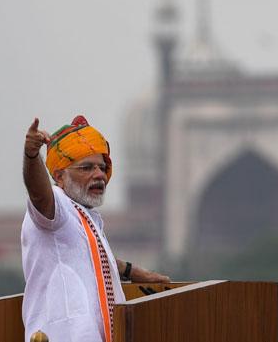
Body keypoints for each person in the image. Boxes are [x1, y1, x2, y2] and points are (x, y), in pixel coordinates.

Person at [22, 115, 170, 342]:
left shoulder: (84, 214)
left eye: (102, 167)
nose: (100, 174)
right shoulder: (56, 208)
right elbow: (38, 193)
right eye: (87, 168)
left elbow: (87, 255)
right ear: (60, 176)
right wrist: (32, 156)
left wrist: (131, 271)